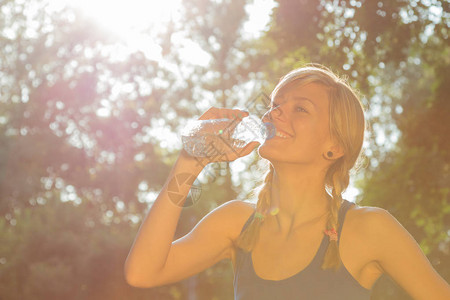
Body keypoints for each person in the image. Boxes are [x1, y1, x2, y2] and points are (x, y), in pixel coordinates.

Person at [124, 65, 450, 299]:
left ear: (334, 147)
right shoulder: (237, 222)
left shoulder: (370, 228)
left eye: (300, 109)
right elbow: (143, 273)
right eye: (275, 106)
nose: (275, 113)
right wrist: (190, 161)